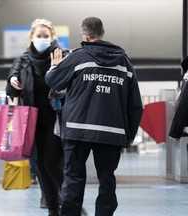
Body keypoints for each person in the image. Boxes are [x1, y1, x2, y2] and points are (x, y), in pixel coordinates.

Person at [45, 17, 143, 216]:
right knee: (107, 178)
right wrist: (130, 134)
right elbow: (135, 105)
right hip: (112, 131)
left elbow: (53, 81)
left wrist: (54, 66)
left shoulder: (77, 57)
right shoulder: (124, 62)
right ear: (103, 33)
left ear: (85, 36)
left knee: (73, 177)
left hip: (77, 128)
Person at [6, 18, 66, 216]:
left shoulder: (63, 57)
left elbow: (68, 87)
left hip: (55, 120)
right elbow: (12, 91)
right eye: (38, 36)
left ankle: (70, 202)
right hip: (31, 121)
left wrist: (56, 68)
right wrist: (12, 81)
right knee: (41, 165)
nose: (42, 39)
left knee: (51, 162)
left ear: (52, 37)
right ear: (32, 37)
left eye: (45, 36)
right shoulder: (22, 60)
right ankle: (52, 210)